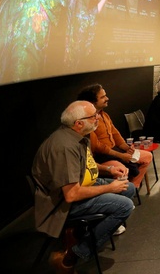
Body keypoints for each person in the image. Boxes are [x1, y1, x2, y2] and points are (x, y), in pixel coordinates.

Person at [32, 100, 135, 273]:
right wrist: (109, 188)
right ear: (79, 123)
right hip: (63, 204)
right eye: (93, 116)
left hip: (81, 185)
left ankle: (86, 232)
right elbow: (71, 194)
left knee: (128, 188)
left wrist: (109, 169)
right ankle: (71, 256)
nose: (97, 119)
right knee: (125, 206)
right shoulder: (65, 147)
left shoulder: (76, 137)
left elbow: (85, 166)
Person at [77, 84, 152, 190]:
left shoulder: (105, 115)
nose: (107, 98)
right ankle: (122, 193)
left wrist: (127, 148)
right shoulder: (87, 121)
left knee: (147, 156)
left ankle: (133, 187)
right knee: (121, 170)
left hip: (115, 151)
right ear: (92, 102)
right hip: (102, 157)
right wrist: (121, 156)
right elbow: (97, 146)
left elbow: (116, 134)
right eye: (103, 97)